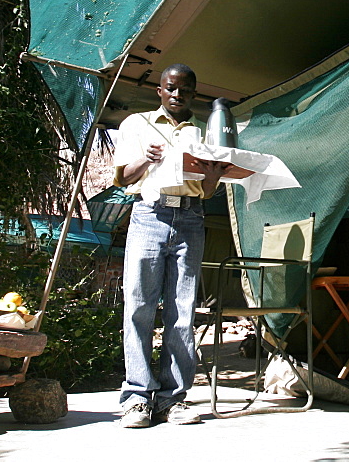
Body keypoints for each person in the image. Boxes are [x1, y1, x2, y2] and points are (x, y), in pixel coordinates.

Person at [112, 63, 232, 428]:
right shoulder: (138, 124)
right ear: (160, 91)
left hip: (192, 220)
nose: (178, 95)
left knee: (182, 310)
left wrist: (213, 178)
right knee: (140, 305)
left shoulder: (203, 132)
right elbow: (123, 178)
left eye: (187, 90)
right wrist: (144, 160)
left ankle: (172, 399)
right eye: (171, 88)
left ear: (195, 94)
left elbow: (207, 190)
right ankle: (136, 399)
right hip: (150, 216)